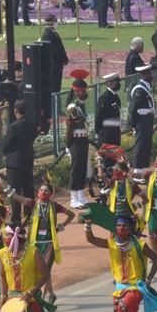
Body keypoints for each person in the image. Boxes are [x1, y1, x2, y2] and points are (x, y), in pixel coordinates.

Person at [83, 214, 157, 312]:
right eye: (119, 226)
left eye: (124, 226)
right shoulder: (112, 244)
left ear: (131, 229)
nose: (121, 229)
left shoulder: (140, 245)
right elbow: (91, 239)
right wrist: (88, 225)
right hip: (119, 288)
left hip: (135, 288)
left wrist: (148, 279)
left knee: (123, 306)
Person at [0, 178, 75, 304]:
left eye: (46, 191)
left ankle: (43, 298)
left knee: (45, 270)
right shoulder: (33, 203)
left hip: (48, 242)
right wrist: (3, 184)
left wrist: (61, 227)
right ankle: (50, 293)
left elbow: (71, 214)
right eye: (41, 190)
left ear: (51, 194)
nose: (43, 192)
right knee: (38, 270)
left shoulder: (55, 206)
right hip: (33, 242)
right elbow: (17, 197)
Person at [1, 101, 38, 225]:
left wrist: (9, 154)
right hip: (27, 159)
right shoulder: (31, 124)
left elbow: (6, 144)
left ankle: (16, 218)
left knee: (14, 190)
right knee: (28, 188)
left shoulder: (13, 126)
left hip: (14, 161)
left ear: (16, 112)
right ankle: (29, 216)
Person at [66, 69, 93, 209]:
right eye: (82, 91)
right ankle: (74, 198)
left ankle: (81, 196)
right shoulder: (73, 108)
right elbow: (69, 128)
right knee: (76, 170)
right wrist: (68, 144)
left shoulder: (80, 106)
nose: (84, 93)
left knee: (82, 169)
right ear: (76, 93)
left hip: (82, 140)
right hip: (75, 141)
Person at [129, 64, 156, 177]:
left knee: (146, 145)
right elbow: (134, 109)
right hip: (141, 121)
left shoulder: (146, 87)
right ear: (144, 75)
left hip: (147, 120)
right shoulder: (139, 89)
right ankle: (137, 171)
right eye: (149, 73)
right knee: (140, 146)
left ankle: (144, 169)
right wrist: (134, 125)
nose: (151, 75)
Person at [40, 15, 70, 94]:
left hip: (57, 65)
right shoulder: (47, 35)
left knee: (57, 86)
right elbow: (54, 51)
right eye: (55, 21)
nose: (56, 23)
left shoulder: (54, 34)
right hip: (53, 66)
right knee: (54, 87)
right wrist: (63, 59)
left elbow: (60, 48)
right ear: (51, 23)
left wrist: (65, 58)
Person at [95, 73, 123, 149]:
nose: (118, 84)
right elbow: (99, 115)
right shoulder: (105, 97)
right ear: (109, 83)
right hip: (107, 133)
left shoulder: (115, 96)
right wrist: (98, 131)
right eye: (116, 82)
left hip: (115, 131)